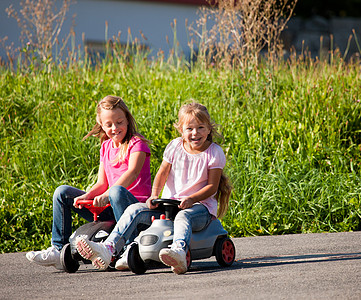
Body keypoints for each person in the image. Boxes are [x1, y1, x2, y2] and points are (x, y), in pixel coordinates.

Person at [75, 101, 232, 274]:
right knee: (134, 210)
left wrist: (192, 199)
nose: (195, 133)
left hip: (199, 208)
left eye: (201, 128)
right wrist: (154, 195)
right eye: (189, 129)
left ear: (209, 129)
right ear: (181, 130)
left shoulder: (214, 152)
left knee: (183, 218)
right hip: (170, 204)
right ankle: (109, 248)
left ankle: (179, 250)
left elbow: (212, 187)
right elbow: (162, 174)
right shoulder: (175, 147)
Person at [26, 95, 152, 270]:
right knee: (62, 193)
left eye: (119, 122)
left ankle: (126, 246)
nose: (115, 128)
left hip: (132, 208)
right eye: (109, 125)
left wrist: (108, 194)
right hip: (109, 207)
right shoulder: (106, 147)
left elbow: (132, 173)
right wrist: (87, 196)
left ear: (127, 120)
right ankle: (58, 248)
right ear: (101, 125)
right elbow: (101, 183)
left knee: (116, 192)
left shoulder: (137, 144)